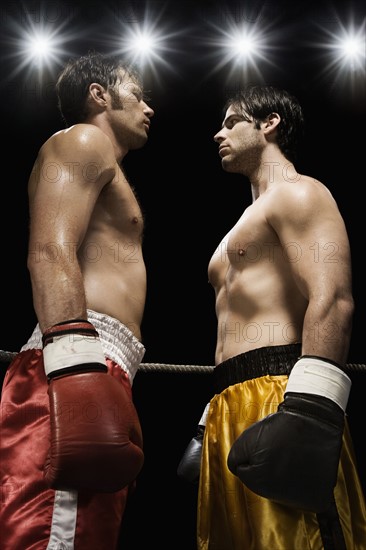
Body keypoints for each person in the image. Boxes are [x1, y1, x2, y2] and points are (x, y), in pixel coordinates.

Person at [178, 85, 366, 549]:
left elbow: (334, 296)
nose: (217, 133)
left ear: (269, 124)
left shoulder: (299, 194)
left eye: (230, 122)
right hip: (228, 403)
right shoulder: (241, 224)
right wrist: (212, 416)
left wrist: (310, 414)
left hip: (285, 394)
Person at [0, 50, 154, 549]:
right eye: (137, 93)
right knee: (50, 537)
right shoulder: (82, 140)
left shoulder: (105, 163)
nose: (149, 107)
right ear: (99, 95)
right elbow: (48, 250)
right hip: (74, 361)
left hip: (100, 361)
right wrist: (74, 367)